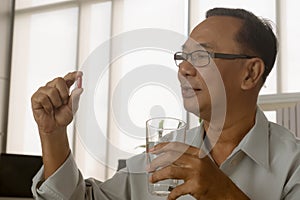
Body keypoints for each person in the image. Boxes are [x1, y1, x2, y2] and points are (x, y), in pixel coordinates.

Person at [31, 7, 300, 200]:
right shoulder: (161, 157)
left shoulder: (293, 165)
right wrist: (52, 134)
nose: (183, 68)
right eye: (183, 56)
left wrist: (222, 192)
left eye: (201, 55)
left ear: (250, 73)